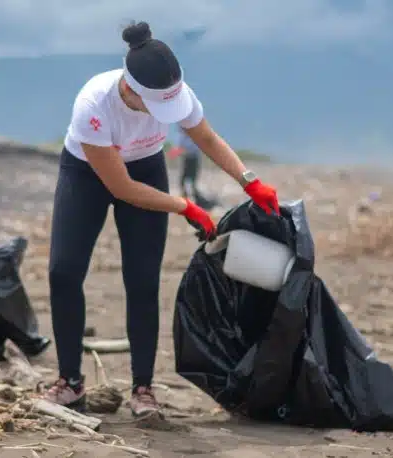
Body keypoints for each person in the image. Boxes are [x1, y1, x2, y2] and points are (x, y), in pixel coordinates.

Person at [43, 21, 280, 418]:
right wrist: (185, 206)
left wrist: (249, 181)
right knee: (63, 272)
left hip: (147, 167)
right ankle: (70, 381)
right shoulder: (94, 105)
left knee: (142, 280)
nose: (165, 114)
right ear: (130, 89)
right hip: (87, 175)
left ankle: (143, 388)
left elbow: (206, 138)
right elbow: (120, 187)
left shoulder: (176, 92)